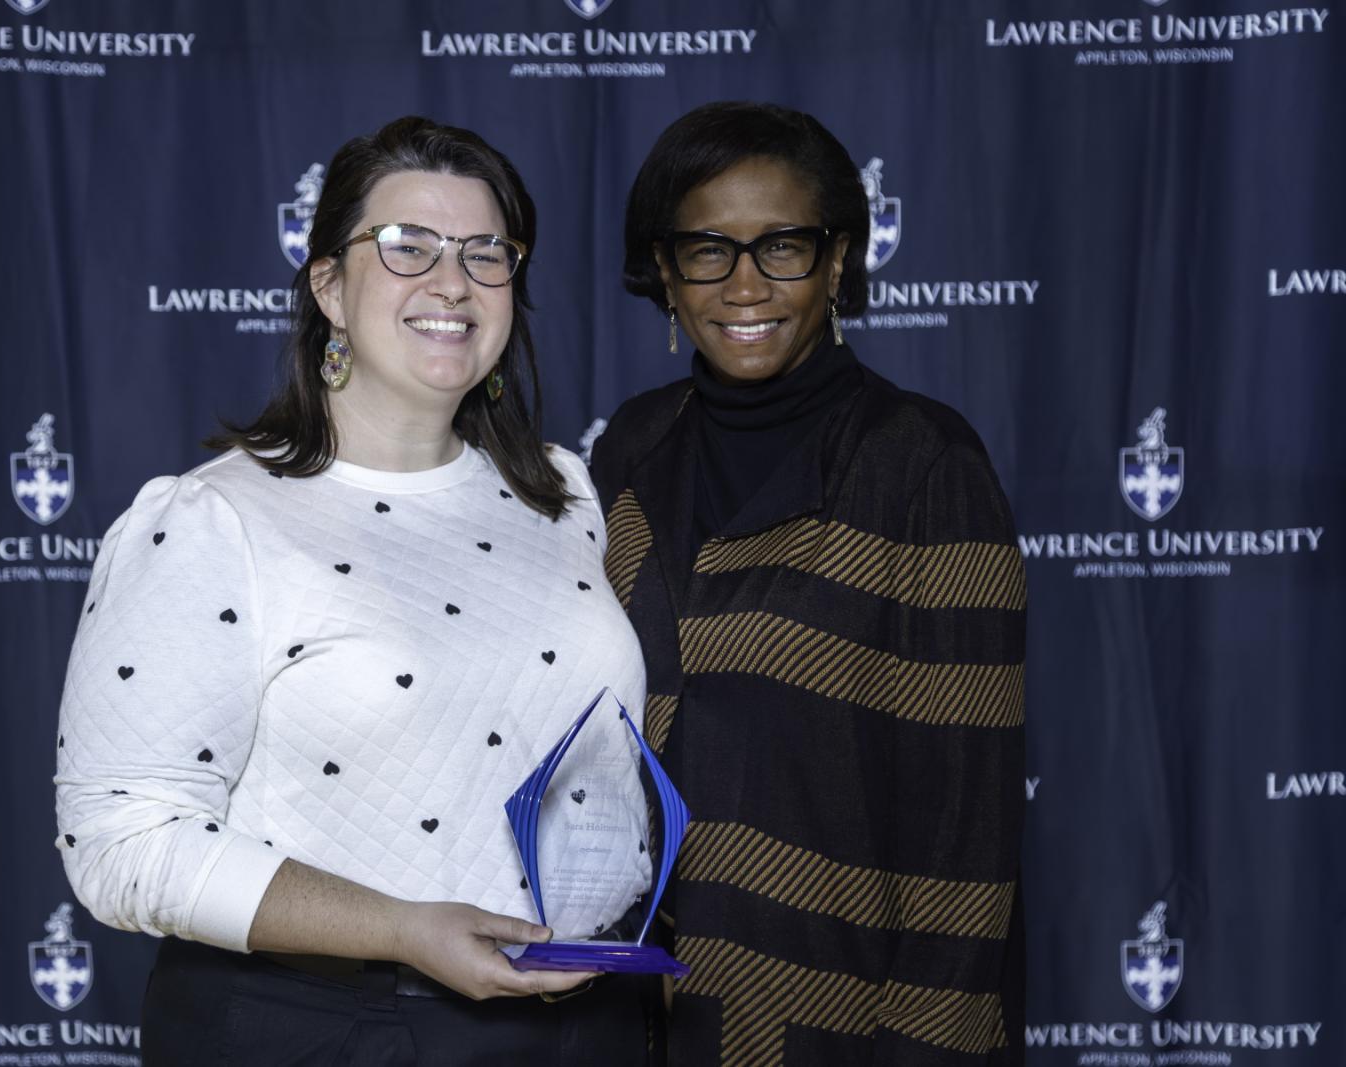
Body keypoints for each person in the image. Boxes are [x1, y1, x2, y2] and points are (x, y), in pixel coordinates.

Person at [54, 116, 652, 1065]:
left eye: (484, 253)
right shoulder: (215, 524)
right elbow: (121, 843)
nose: (450, 282)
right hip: (332, 1031)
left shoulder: (564, 492)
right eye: (407, 247)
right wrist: (400, 926)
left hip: (587, 1029)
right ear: (330, 285)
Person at [590, 101, 1026, 1065]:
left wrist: (928, 1045)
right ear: (664, 270)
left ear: (838, 261)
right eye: (707, 248)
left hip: (850, 1020)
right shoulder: (630, 448)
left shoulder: (923, 464)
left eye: (781, 245)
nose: (745, 283)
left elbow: (969, 821)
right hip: (638, 1013)